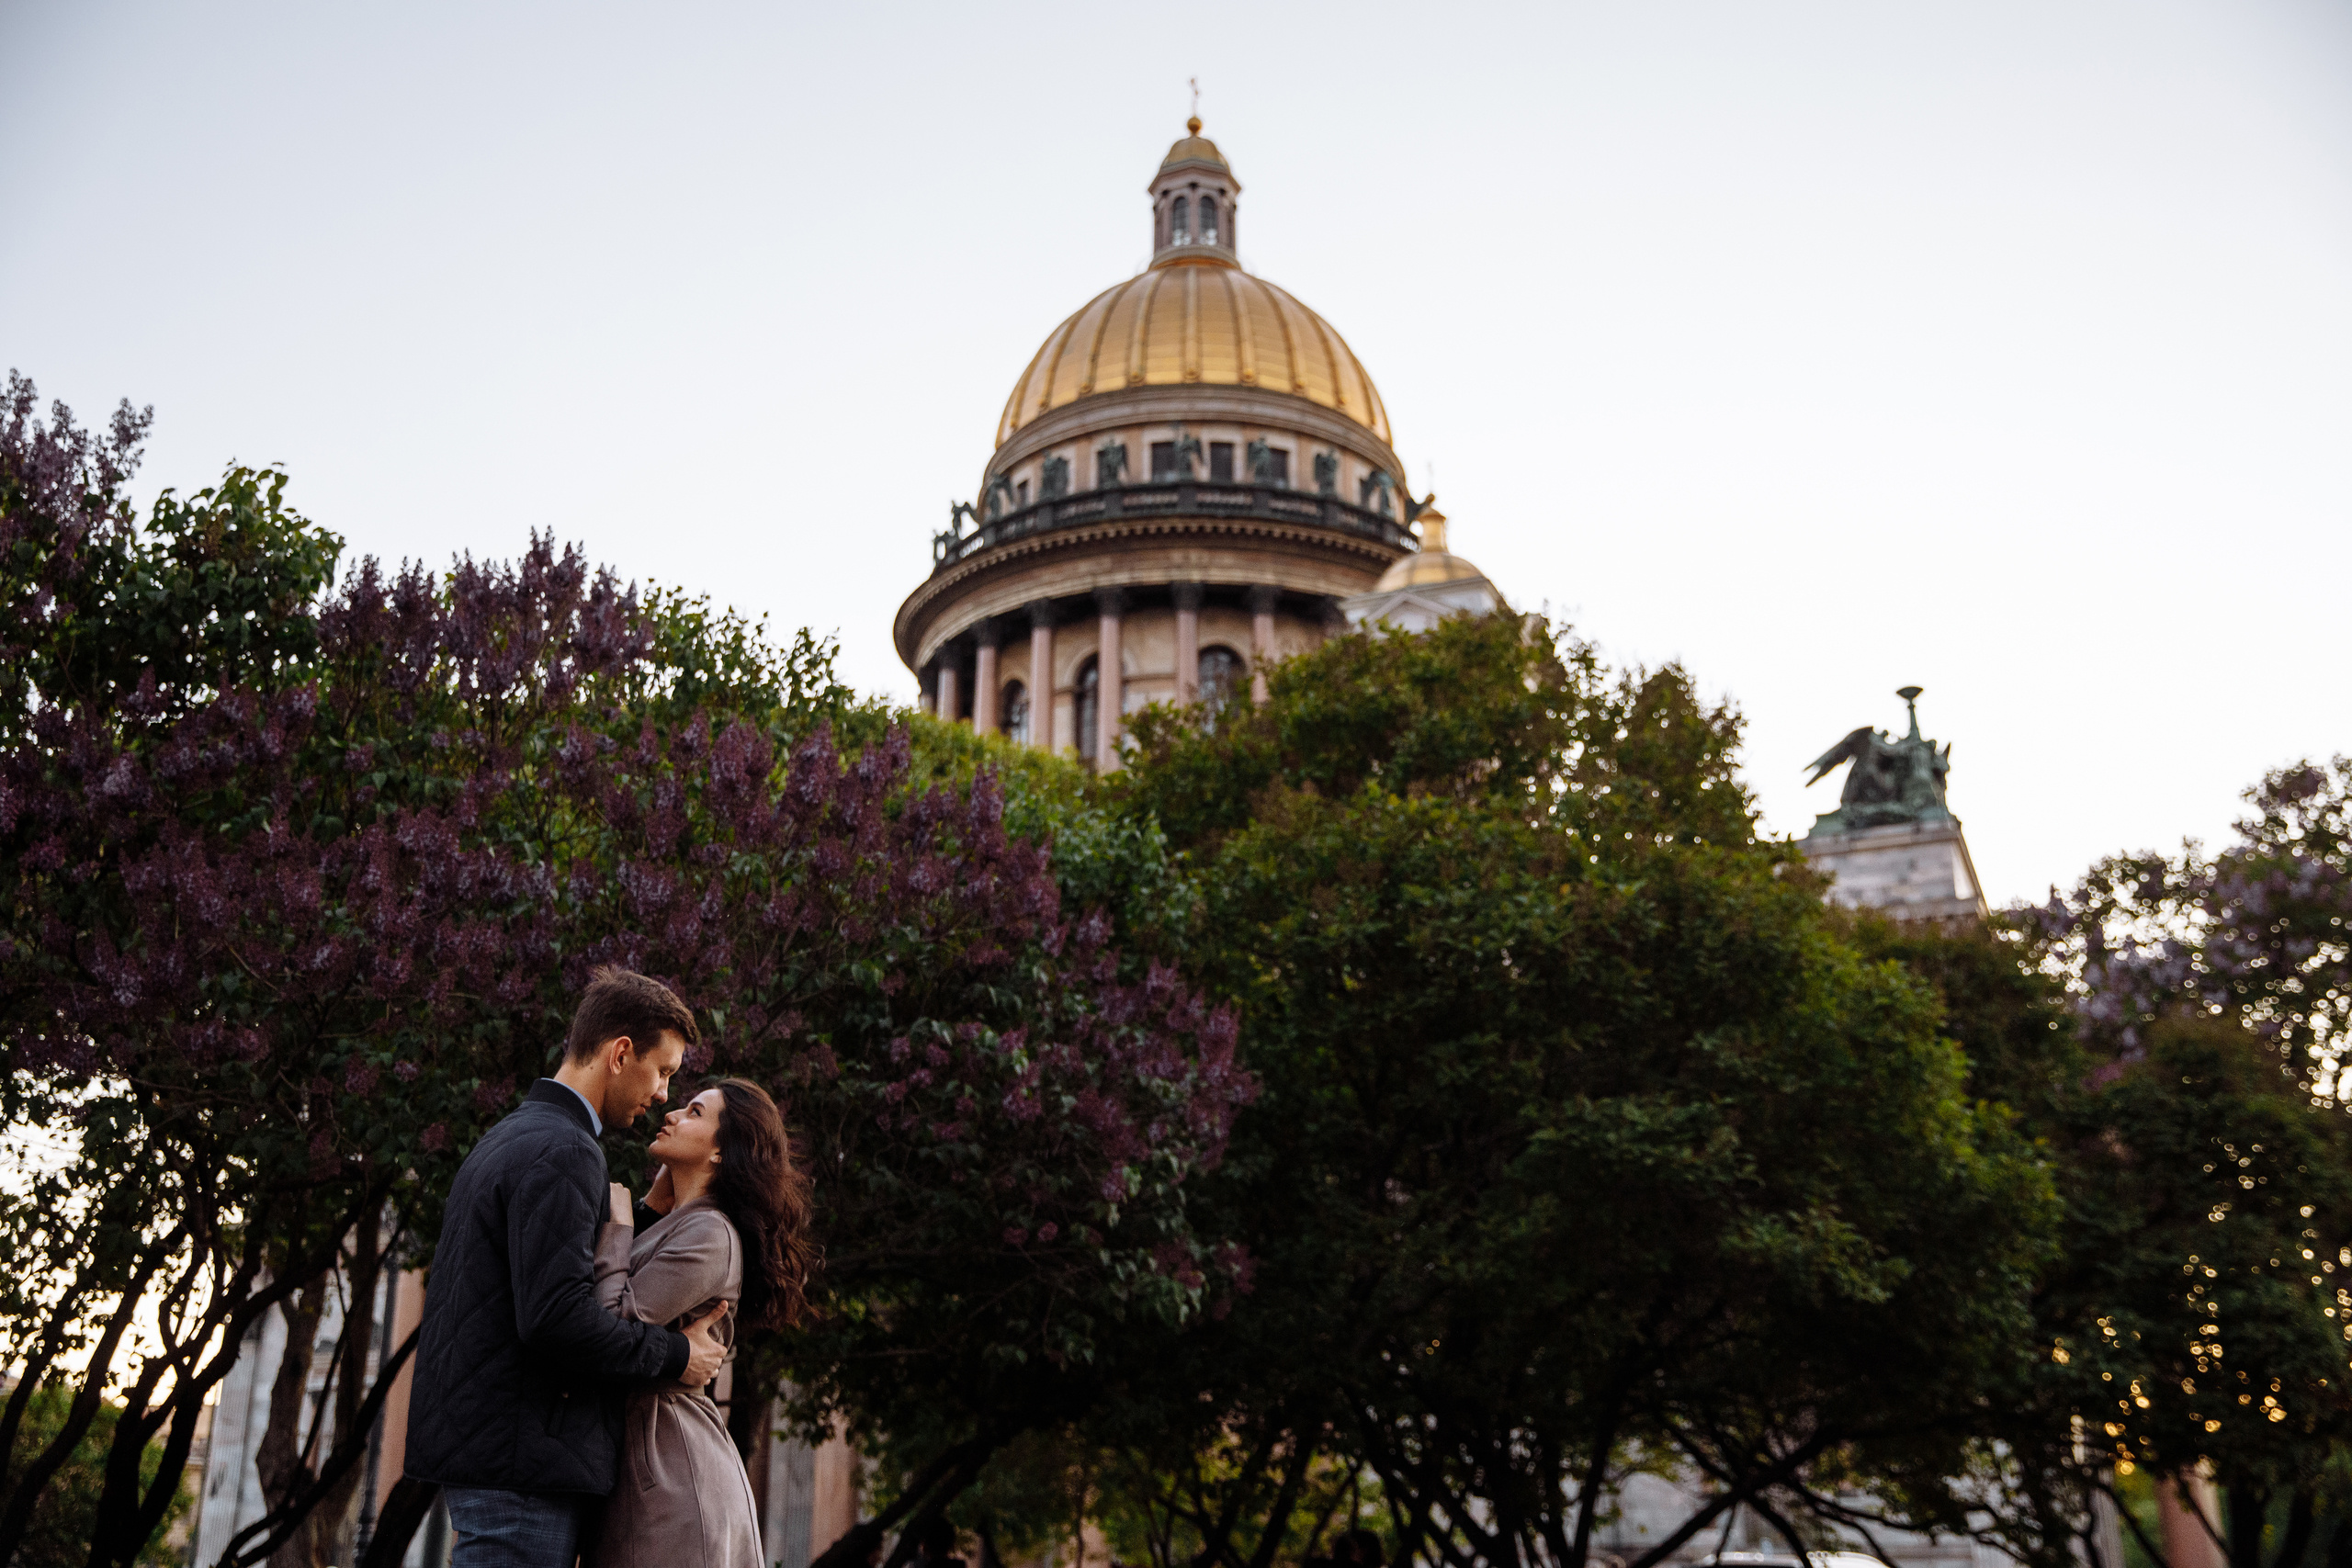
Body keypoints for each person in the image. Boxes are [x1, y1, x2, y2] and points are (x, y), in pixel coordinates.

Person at [405, 966, 730, 1567]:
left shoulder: (512, 1136)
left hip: (502, 1459)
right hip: (524, 1473)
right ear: (620, 1052)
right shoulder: (566, 1148)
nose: (662, 1094)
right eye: (662, 1071)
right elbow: (556, 1317)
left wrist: (644, 1212)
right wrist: (678, 1355)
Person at [590, 1077, 816, 1568]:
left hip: (674, 1479)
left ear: (721, 1152)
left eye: (694, 1112)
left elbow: (607, 1322)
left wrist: (618, 1227)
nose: (670, 1113)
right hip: (652, 1466)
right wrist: (649, 1212)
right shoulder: (687, 1223)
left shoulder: (712, 1234)